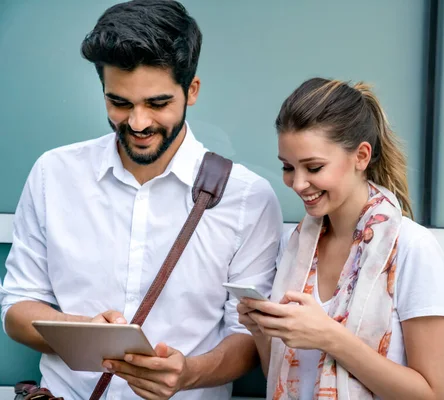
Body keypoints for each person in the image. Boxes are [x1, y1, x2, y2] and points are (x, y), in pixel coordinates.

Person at [0, 1, 282, 399]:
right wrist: (83, 331)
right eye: (119, 103)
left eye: (157, 103)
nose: (138, 123)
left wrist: (190, 373)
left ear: (192, 91)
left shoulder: (248, 197)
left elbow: (250, 338)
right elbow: (17, 309)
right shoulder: (54, 174)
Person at [238, 78, 444, 400]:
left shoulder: (411, 248)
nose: (298, 184)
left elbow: (432, 395)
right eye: (287, 167)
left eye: (314, 167)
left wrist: (329, 337)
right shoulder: (294, 248)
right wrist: (259, 329)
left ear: (362, 156)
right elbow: (282, 377)